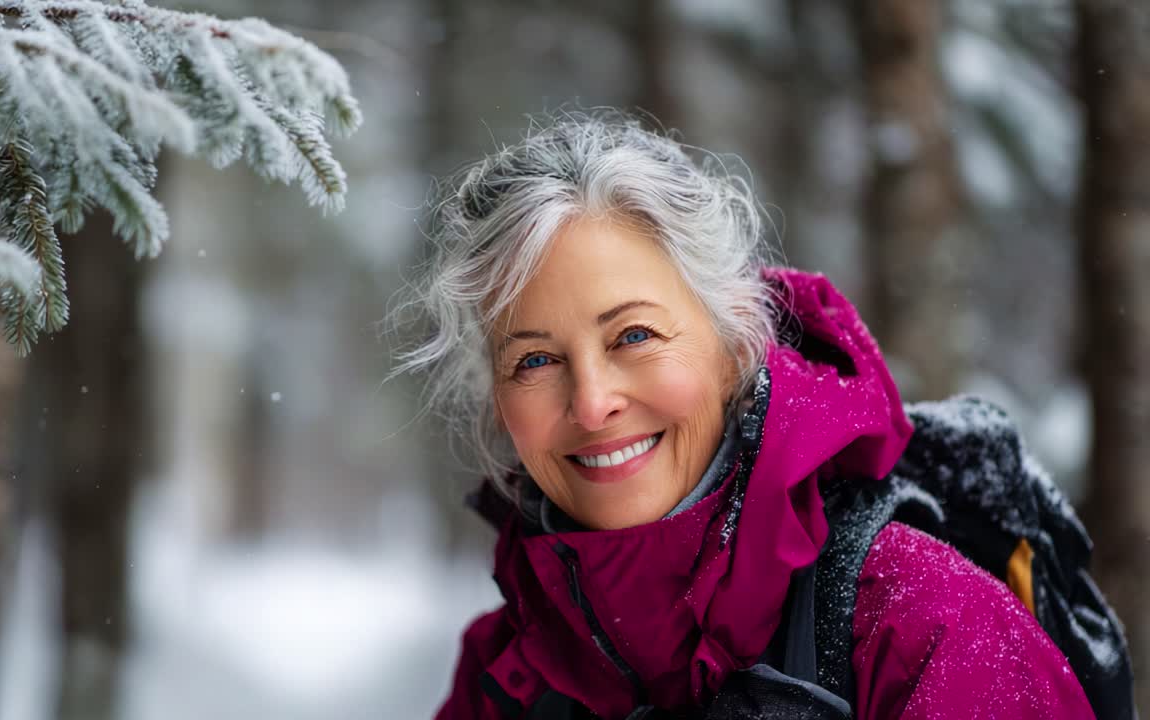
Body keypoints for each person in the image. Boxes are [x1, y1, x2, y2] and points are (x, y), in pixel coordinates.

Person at [388, 112, 1110, 719]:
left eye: (633, 336)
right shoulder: (506, 669)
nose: (592, 401)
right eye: (535, 360)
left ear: (736, 342)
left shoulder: (921, 621)